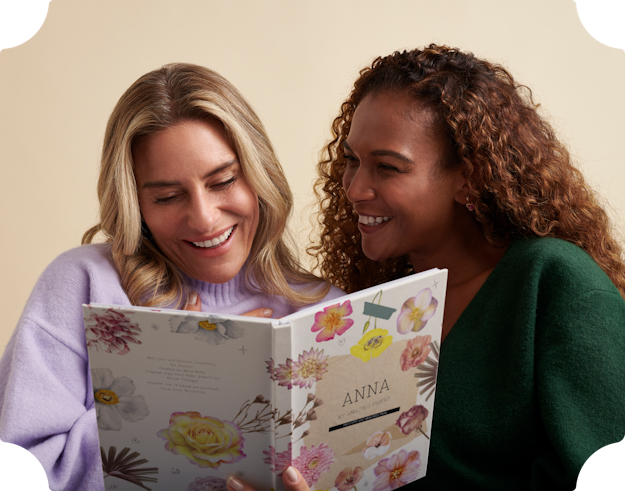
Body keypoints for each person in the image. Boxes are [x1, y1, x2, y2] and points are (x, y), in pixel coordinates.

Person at [0, 63, 343, 491]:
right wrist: (184, 385)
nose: (203, 218)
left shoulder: (328, 314)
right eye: (167, 196)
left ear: (260, 175)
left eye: (223, 181)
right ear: (135, 204)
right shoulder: (82, 285)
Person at [304, 44, 625, 489]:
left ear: (470, 176)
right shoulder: (381, 302)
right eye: (352, 161)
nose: (355, 189)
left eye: (388, 168)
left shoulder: (554, 283)